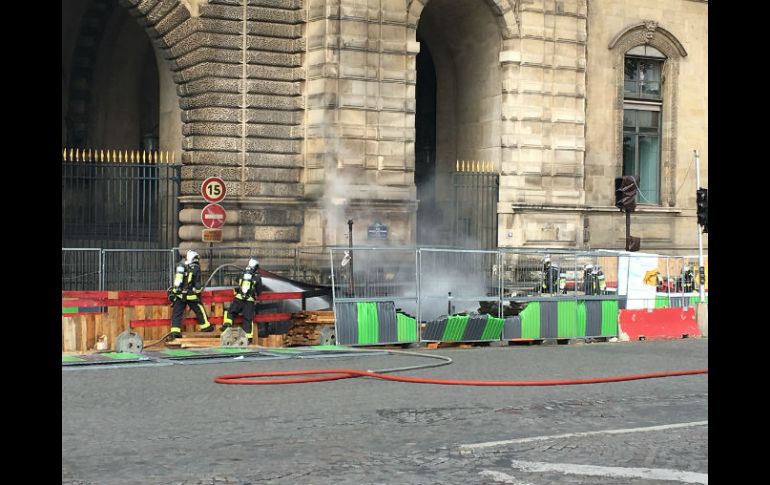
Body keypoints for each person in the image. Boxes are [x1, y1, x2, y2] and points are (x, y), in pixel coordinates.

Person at [167, 250, 213, 339]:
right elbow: (197, 283)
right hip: (191, 295)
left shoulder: (183, 267)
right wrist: (198, 292)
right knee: (199, 309)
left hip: (180, 294)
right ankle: (206, 327)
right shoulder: (196, 268)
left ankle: (175, 331)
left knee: (177, 313)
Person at [222, 257, 264, 341]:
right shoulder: (257, 277)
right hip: (249, 301)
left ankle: (227, 324)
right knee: (247, 319)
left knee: (230, 312)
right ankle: (247, 338)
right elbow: (259, 291)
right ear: (255, 267)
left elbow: (238, 281)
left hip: (238, 299)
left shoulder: (241, 274)